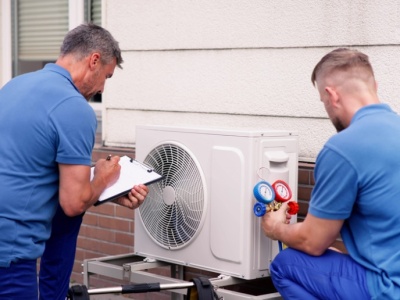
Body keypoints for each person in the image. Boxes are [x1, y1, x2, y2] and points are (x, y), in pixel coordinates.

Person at [0, 23, 148, 299]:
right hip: (9, 253)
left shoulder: (14, 86)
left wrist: (109, 189)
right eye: (107, 76)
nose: (102, 87)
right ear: (94, 60)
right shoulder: (74, 107)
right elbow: (73, 203)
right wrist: (105, 176)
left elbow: (32, 166)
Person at [261, 48, 400, 299]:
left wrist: (276, 229)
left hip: (388, 288)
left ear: (332, 95)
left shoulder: (344, 148)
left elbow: (313, 243)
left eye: (323, 103)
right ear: (374, 85)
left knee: (285, 265)